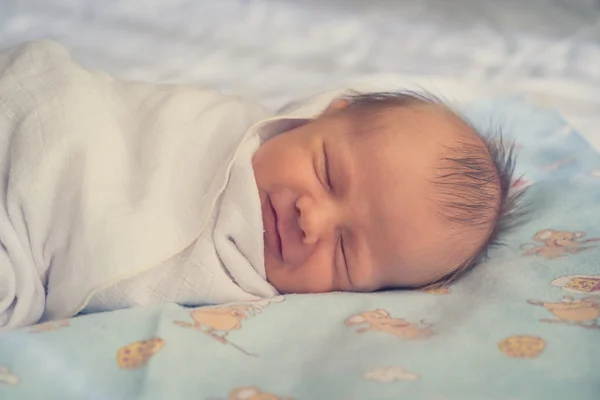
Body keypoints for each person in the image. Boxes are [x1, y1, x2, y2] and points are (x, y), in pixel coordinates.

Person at [0, 40, 522, 329]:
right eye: (328, 173)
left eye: (344, 253)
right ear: (322, 116)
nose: (312, 219)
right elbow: (115, 112)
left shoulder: (246, 300)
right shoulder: (221, 124)